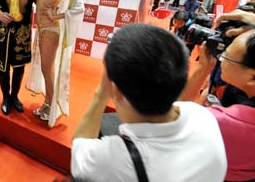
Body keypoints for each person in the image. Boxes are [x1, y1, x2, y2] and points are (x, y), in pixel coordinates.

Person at [71, 24, 227, 182]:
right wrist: (202, 70)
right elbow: (181, 104)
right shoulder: (204, 119)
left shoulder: (111, 160)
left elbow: (80, 150)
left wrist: (101, 93)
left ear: (115, 89)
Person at [180, 10, 255, 181]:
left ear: (252, 76)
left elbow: (175, 116)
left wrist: (203, 69)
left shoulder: (226, 122)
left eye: (225, 56)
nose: (221, 60)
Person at [25, 0, 84, 128]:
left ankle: (50, 105)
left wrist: (57, 15)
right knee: (45, 67)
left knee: (47, 68)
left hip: (52, 29)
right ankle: (47, 102)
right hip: (40, 28)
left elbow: (79, 6)